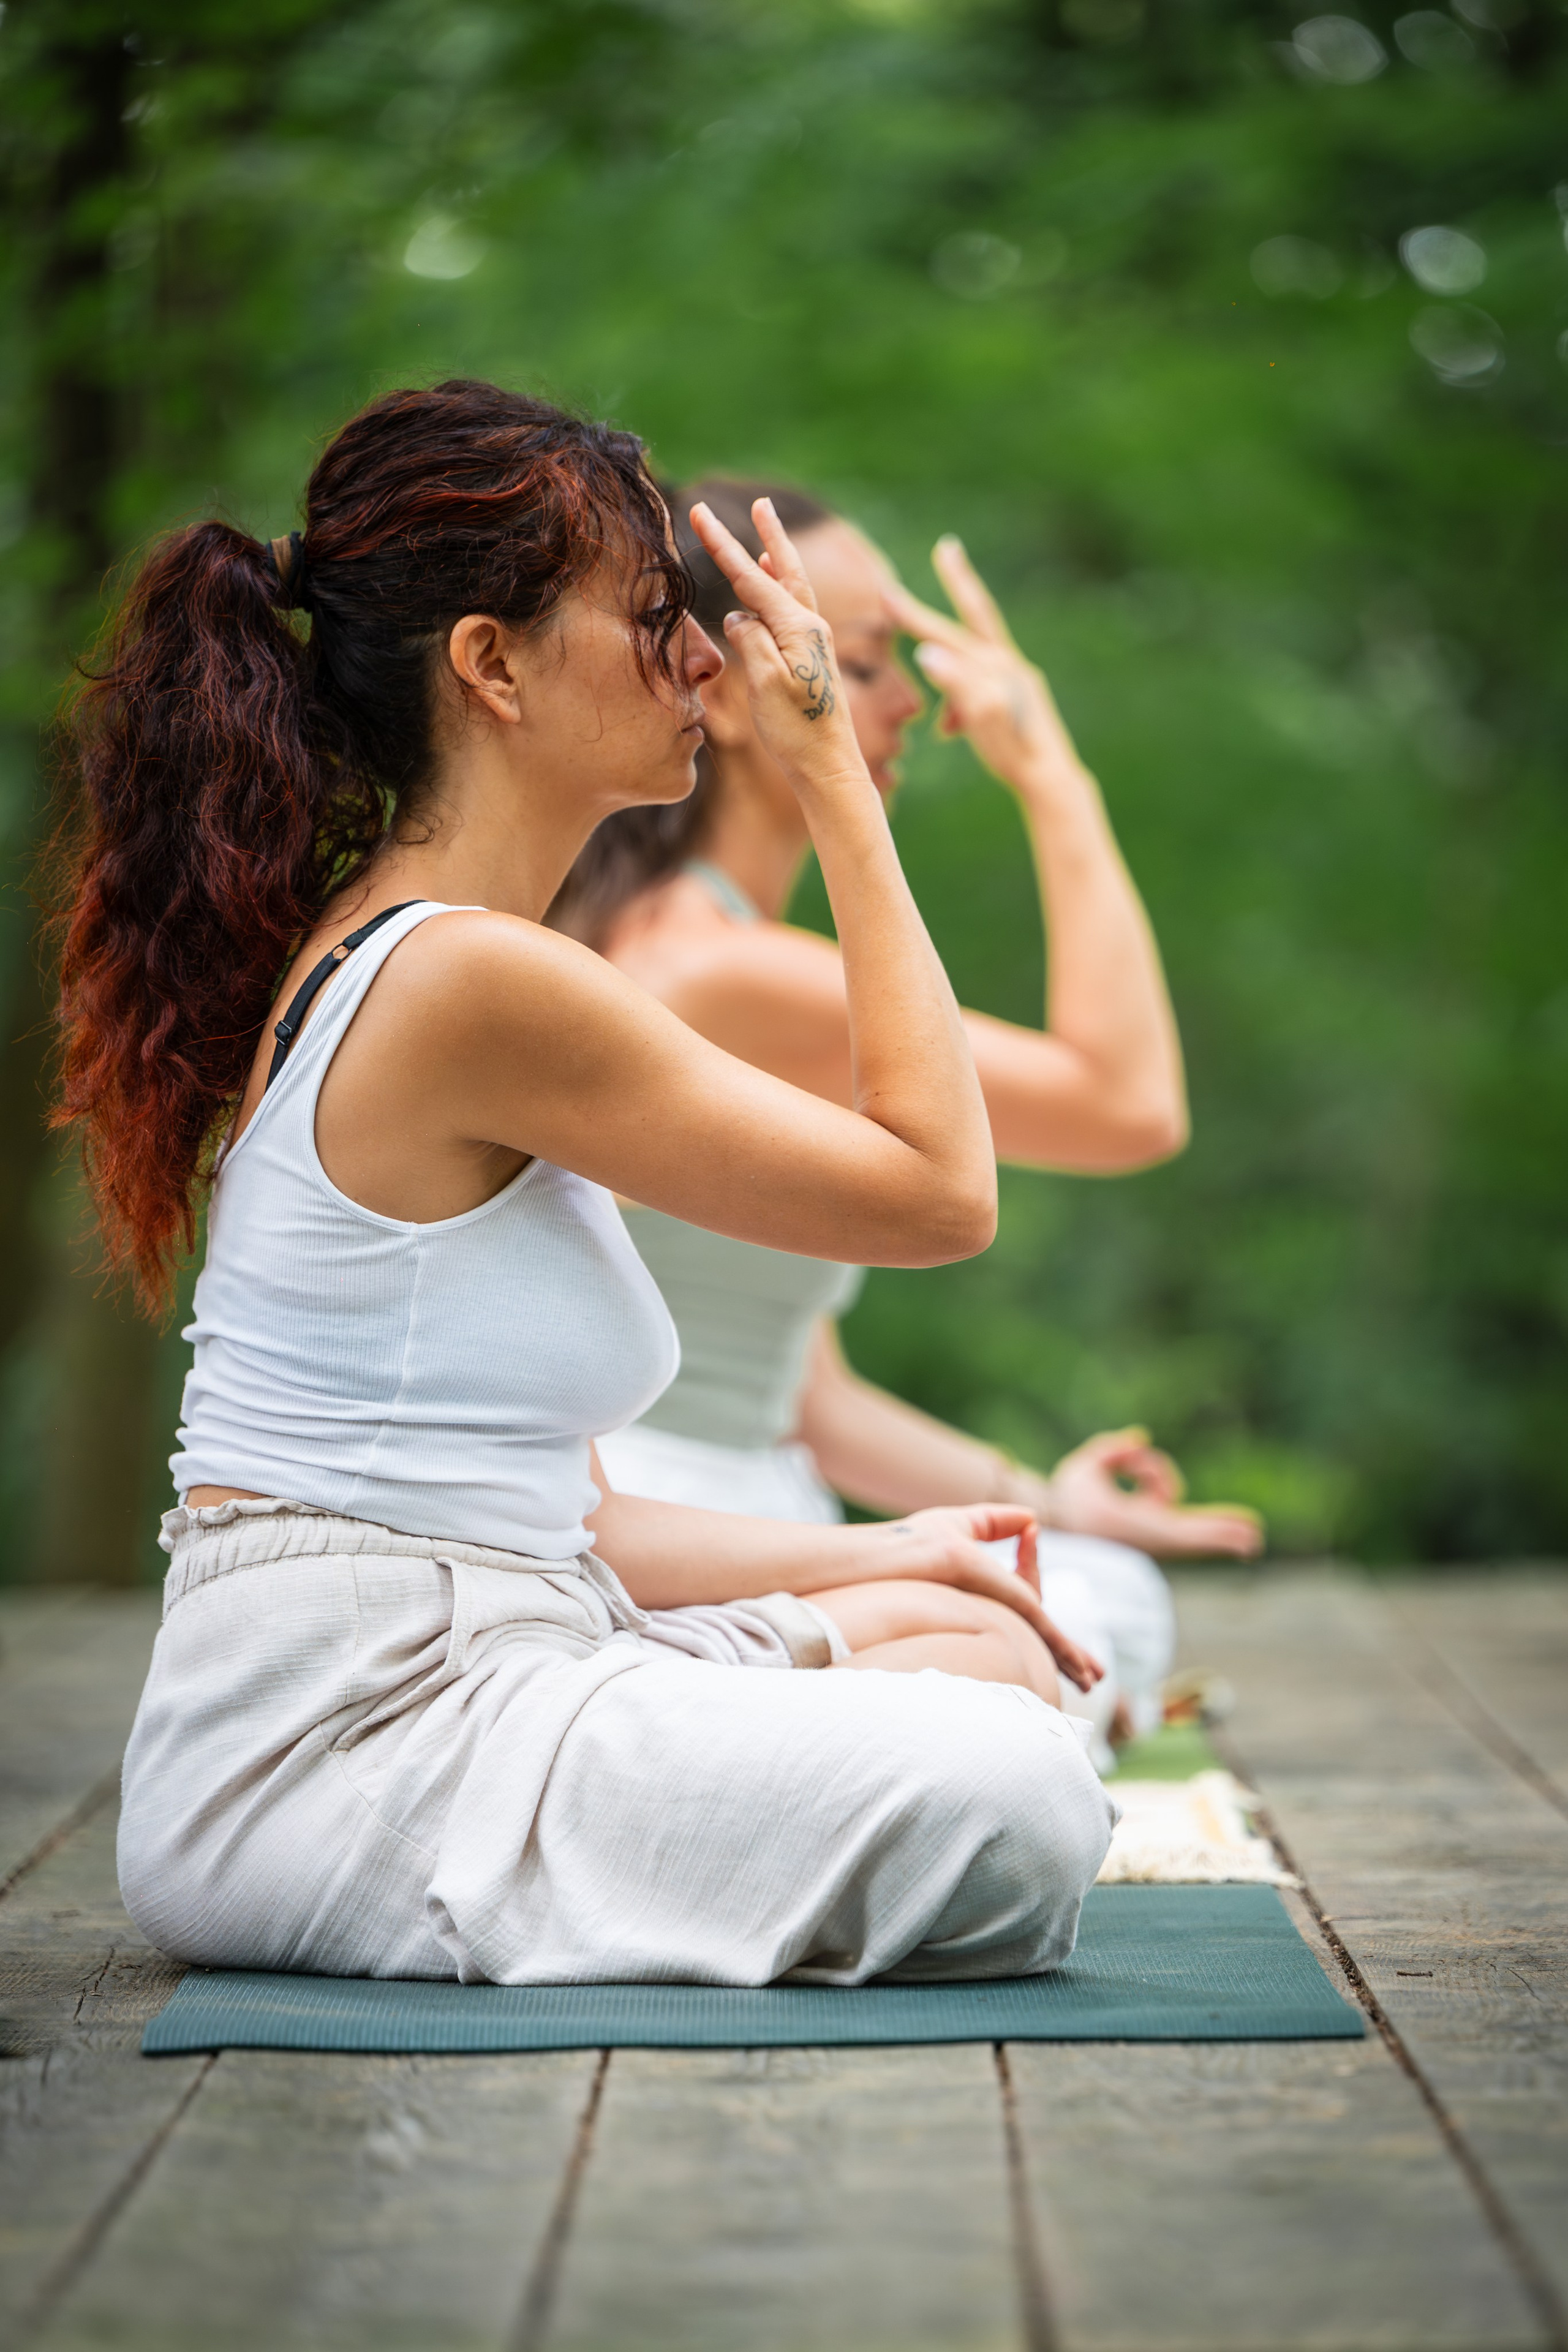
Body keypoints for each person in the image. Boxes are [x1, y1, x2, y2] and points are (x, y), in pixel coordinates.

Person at [50, 382, 1115, 1988]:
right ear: (491, 666)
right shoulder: (470, 979)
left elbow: (577, 1517)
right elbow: (940, 1195)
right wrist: (831, 776)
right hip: (346, 1756)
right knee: (1013, 1786)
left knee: (980, 1643)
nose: (702, 663)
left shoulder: (455, 958)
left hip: (506, 1642)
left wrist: (888, 1549)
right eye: (649, 618)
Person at [553, 481, 1262, 1766]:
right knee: (1082, 1618)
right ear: (722, 688)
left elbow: (805, 1401)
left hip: (746, 1490)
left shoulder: (699, 946)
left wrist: (1040, 1503)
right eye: (862, 659)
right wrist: (1051, 777)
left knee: (1099, 1582)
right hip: (666, 1520)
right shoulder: (721, 972)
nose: (909, 704)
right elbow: (1127, 1106)